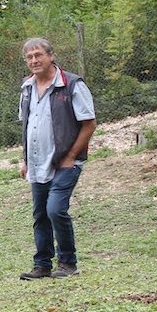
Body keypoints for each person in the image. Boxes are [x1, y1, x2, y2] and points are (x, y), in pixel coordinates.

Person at [17, 37, 96, 280]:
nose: (34, 60)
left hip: (65, 163)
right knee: (40, 214)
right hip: (37, 163)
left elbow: (89, 123)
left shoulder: (72, 85)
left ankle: (68, 264)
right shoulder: (27, 88)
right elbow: (28, 126)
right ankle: (42, 265)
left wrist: (71, 156)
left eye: (38, 55)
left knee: (55, 210)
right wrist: (25, 160)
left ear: (51, 56)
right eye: (29, 57)